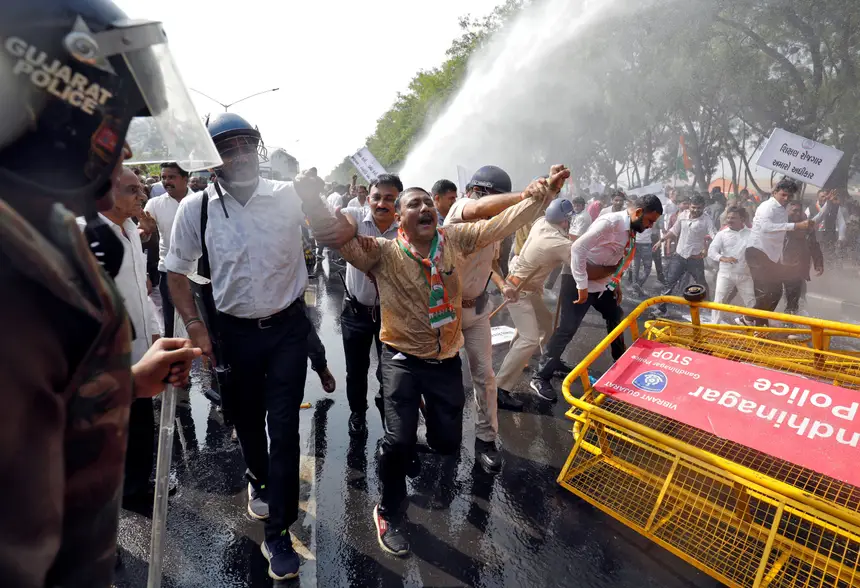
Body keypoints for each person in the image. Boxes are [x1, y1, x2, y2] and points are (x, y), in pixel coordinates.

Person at [0, 3, 207, 585]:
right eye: (115, 121)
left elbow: (46, 408)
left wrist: (124, 384)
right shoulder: (17, 271)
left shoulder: (46, 238)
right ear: (64, 106)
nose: (120, 151)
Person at [301, 167, 569, 556]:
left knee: (446, 441)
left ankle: (408, 441)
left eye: (429, 202)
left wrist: (541, 195)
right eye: (414, 204)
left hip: (444, 359)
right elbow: (331, 234)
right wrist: (311, 198)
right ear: (398, 220)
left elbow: (501, 225)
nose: (425, 207)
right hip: (400, 360)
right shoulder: (382, 252)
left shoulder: (455, 240)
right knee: (397, 441)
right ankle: (389, 510)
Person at [165, 113, 325, 581]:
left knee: (286, 429)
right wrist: (196, 329)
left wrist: (318, 204)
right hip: (233, 336)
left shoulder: (287, 196)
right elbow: (175, 274)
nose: (239, 156)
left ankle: (277, 531)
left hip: (287, 333)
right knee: (248, 425)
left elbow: (332, 232)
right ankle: (257, 477)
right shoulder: (195, 209)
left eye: (245, 145)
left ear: (258, 147)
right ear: (212, 161)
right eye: (227, 149)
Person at [77, 167, 163, 505]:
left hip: (140, 351)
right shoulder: (86, 236)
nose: (141, 196)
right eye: (132, 189)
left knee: (140, 424)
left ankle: (137, 486)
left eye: (141, 189)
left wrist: (155, 331)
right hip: (106, 357)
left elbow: (141, 292)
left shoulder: (130, 230)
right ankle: (120, 494)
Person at [445, 165, 538, 473]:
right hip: (447, 314)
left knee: (485, 377)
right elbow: (479, 208)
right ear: (477, 192)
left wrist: (502, 285)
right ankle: (435, 432)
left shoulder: (493, 227)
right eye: (497, 199)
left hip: (478, 311)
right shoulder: (460, 210)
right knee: (441, 380)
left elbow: (492, 262)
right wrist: (523, 196)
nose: (499, 206)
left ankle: (485, 440)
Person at [530, 195, 663, 401]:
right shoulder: (610, 223)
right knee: (567, 328)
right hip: (578, 280)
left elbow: (617, 257)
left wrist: (615, 283)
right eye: (649, 221)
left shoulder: (631, 229)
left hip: (602, 284)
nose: (650, 226)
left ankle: (621, 364)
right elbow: (578, 249)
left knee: (615, 316)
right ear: (638, 213)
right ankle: (540, 376)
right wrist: (582, 286)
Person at [341, 174, 403, 436]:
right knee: (356, 370)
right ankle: (357, 412)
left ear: (398, 201)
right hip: (355, 312)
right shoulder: (353, 215)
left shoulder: (406, 228)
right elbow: (338, 218)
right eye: (376, 197)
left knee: (391, 370)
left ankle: (389, 410)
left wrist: (379, 246)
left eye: (389, 199)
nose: (381, 204)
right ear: (368, 199)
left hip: (393, 315)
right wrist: (350, 230)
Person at [496, 198, 575, 404]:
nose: (569, 222)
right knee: (529, 338)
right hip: (518, 291)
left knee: (545, 324)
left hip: (526, 287)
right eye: (568, 218)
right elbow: (579, 258)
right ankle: (499, 388)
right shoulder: (557, 242)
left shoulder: (542, 222)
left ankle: (548, 361)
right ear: (563, 220)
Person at [740, 178, 812, 326]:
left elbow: (781, 233)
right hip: (757, 252)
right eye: (783, 195)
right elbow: (767, 228)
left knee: (776, 292)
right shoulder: (767, 207)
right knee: (765, 292)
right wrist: (796, 226)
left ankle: (757, 322)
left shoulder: (782, 209)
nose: (786, 199)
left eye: (789, 196)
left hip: (771, 256)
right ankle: (750, 320)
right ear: (774, 192)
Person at [142, 161, 194, 337]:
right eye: (163, 177)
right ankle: (176, 361)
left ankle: (204, 361)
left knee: (199, 319)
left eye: (171, 177)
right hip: (169, 271)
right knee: (171, 321)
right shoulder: (154, 204)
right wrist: (145, 232)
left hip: (197, 273)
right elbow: (145, 237)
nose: (166, 181)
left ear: (185, 179)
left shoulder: (200, 201)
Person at [653, 194, 715, 315]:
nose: (696, 210)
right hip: (679, 256)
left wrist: (706, 249)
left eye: (699, 208)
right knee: (669, 283)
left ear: (704, 207)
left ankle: (709, 310)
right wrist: (661, 240)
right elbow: (674, 231)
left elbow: (714, 236)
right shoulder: (683, 215)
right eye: (694, 207)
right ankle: (661, 308)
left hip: (695, 259)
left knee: (701, 283)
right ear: (690, 206)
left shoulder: (706, 219)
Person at [707, 206, 756, 324]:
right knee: (719, 300)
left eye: (733, 218)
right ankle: (714, 326)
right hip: (726, 274)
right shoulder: (722, 234)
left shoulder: (751, 234)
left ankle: (752, 326)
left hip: (745, 275)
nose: (729, 220)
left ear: (742, 219)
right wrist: (723, 258)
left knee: (752, 302)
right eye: (728, 217)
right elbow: (711, 252)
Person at [783, 201, 824, 315]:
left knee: (798, 296)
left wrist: (818, 263)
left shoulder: (807, 226)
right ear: (787, 212)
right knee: (781, 295)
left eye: (799, 210)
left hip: (800, 266)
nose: (796, 213)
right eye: (794, 210)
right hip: (782, 266)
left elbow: (814, 245)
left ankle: (793, 319)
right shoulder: (782, 224)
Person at [805, 189, 846, 257]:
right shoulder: (810, 208)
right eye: (822, 196)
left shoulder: (835, 208)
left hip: (829, 237)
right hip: (815, 237)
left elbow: (841, 223)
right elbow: (806, 221)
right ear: (817, 197)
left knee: (829, 258)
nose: (825, 198)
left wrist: (841, 237)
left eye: (827, 196)